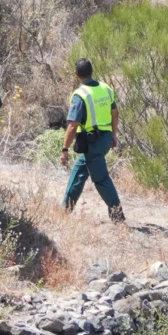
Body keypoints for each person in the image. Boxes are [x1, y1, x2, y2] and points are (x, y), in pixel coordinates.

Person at [59, 58, 125, 222]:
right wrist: (113, 134)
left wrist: (65, 149)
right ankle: (65, 210)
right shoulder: (106, 89)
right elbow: (115, 113)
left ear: (77, 74)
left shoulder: (80, 95)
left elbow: (73, 126)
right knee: (79, 171)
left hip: (92, 142)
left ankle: (118, 217)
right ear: (91, 71)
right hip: (104, 139)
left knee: (101, 179)